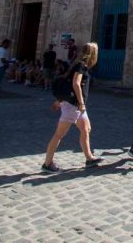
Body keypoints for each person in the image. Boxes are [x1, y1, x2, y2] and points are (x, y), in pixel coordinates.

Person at [42, 42, 102, 172]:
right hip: (74, 105)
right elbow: (75, 84)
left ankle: (89, 158)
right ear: (92, 54)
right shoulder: (80, 65)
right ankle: (47, 163)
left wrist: (59, 101)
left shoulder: (79, 64)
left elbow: (68, 83)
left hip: (76, 105)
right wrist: (81, 103)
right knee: (59, 134)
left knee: (86, 129)